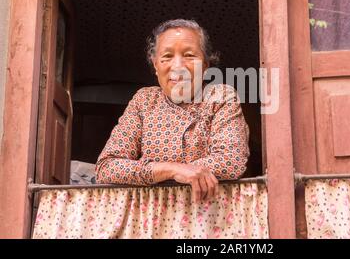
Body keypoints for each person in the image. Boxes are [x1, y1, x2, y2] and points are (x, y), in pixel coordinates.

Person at [95, 19, 250, 202]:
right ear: (156, 65)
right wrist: (174, 170)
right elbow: (107, 167)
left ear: (206, 66)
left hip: (208, 217)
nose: (178, 66)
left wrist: (154, 171)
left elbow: (231, 161)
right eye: (167, 56)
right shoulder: (144, 101)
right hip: (150, 218)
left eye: (189, 55)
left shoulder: (221, 97)